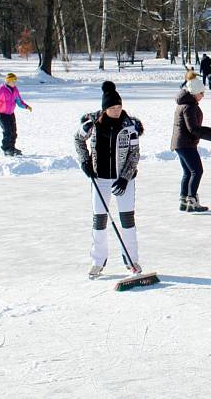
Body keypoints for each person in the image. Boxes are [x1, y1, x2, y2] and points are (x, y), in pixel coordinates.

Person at [74, 81, 145, 278]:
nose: (116, 110)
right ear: (105, 108)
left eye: (119, 106)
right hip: (100, 179)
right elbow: (78, 139)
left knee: (127, 220)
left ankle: (131, 260)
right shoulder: (92, 123)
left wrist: (125, 178)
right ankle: (98, 261)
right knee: (99, 221)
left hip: (124, 180)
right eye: (112, 107)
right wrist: (85, 161)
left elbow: (134, 154)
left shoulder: (129, 126)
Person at [171, 75, 211, 212]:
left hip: (181, 143)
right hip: (185, 144)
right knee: (197, 171)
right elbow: (193, 129)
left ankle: (184, 200)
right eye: (201, 93)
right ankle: (191, 200)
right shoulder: (189, 106)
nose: (203, 95)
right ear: (194, 93)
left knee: (188, 172)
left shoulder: (185, 103)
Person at [0, 72, 32, 156]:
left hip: (10, 114)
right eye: (13, 81)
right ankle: (6, 149)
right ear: (8, 81)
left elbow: (19, 101)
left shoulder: (15, 89)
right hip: (1, 114)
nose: (15, 82)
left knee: (13, 132)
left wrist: (26, 106)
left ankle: (12, 147)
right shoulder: (2, 89)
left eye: (15, 81)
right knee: (7, 131)